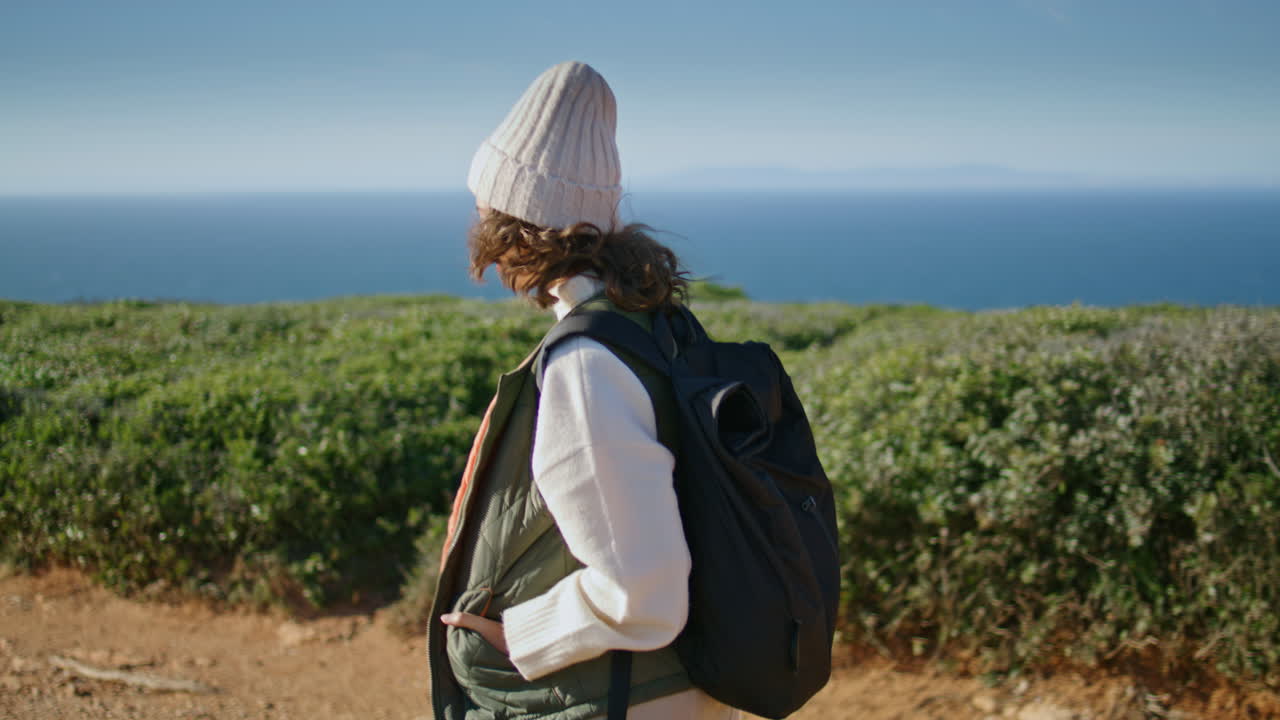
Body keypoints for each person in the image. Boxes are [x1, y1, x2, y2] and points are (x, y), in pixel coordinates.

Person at [425, 61, 740, 720]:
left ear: (514, 219)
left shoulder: (586, 365)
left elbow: (645, 593)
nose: (475, 215)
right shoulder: (651, 327)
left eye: (484, 201)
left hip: (622, 700)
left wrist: (522, 636)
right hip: (678, 689)